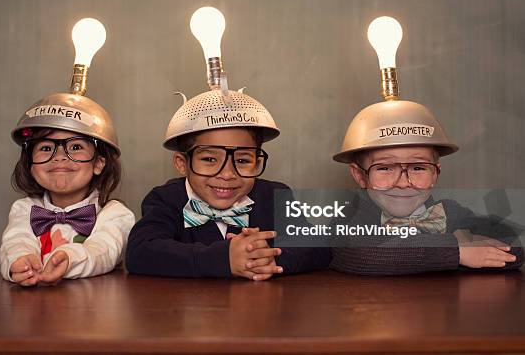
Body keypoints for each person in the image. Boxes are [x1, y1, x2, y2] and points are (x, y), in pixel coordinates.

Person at [126, 86, 331, 280]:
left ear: (257, 162)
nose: (227, 174)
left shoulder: (275, 195)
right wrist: (223, 259)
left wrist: (265, 258)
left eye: (242, 161)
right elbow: (140, 252)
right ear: (182, 163)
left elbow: (320, 247)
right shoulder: (166, 199)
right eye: (209, 159)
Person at [330, 100, 523, 275]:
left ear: (435, 173)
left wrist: (471, 242)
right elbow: (364, 254)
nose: (403, 183)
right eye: (385, 168)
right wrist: (456, 250)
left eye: (418, 167)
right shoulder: (350, 216)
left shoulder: (450, 213)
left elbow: (511, 246)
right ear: (359, 175)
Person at [0, 69, 134, 287]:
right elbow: (15, 241)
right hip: (33, 313)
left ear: (99, 162)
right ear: (30, 164)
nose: (60, 157)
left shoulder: (115, 214)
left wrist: (69, 257)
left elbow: (103, 250)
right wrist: (19, 261)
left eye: (76, 147)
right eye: (45, 147)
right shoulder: (24, 209)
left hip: (93, 312)